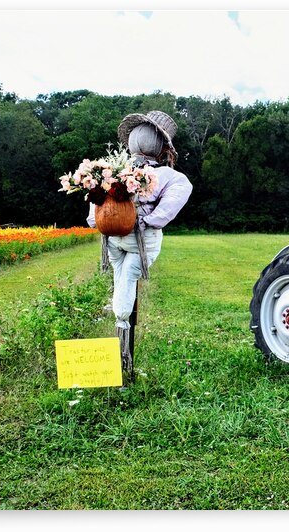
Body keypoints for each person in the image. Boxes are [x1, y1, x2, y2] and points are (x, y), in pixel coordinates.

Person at [86, 110, 193, 360]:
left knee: (120, 276)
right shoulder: (170, 177)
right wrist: (144, 220)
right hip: (140, 241)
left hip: (111, 238)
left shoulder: (111, 172)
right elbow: (165, 212)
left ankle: (121, 328)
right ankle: (122, 330)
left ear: (132, 141)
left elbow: (94, 209)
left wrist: (101, 221)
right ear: (161, 147)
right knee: (127, 280)